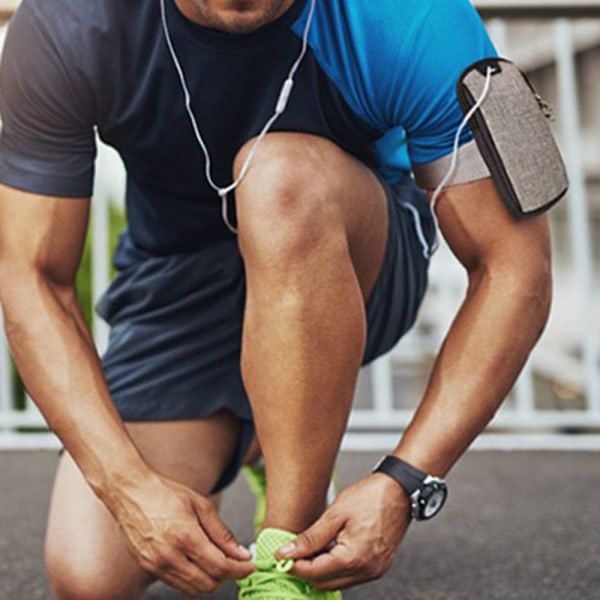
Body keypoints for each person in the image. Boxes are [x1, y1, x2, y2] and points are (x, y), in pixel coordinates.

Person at [0, 0, 552, 598]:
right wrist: (128, 487)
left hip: (352, 244)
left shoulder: (414, 16)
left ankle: (286, 559)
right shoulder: (67, 22)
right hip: (180, 281)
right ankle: (271, 435)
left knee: (277, 178)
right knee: (88, 573)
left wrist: (406, 479)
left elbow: (514, 267)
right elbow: (32, 275)